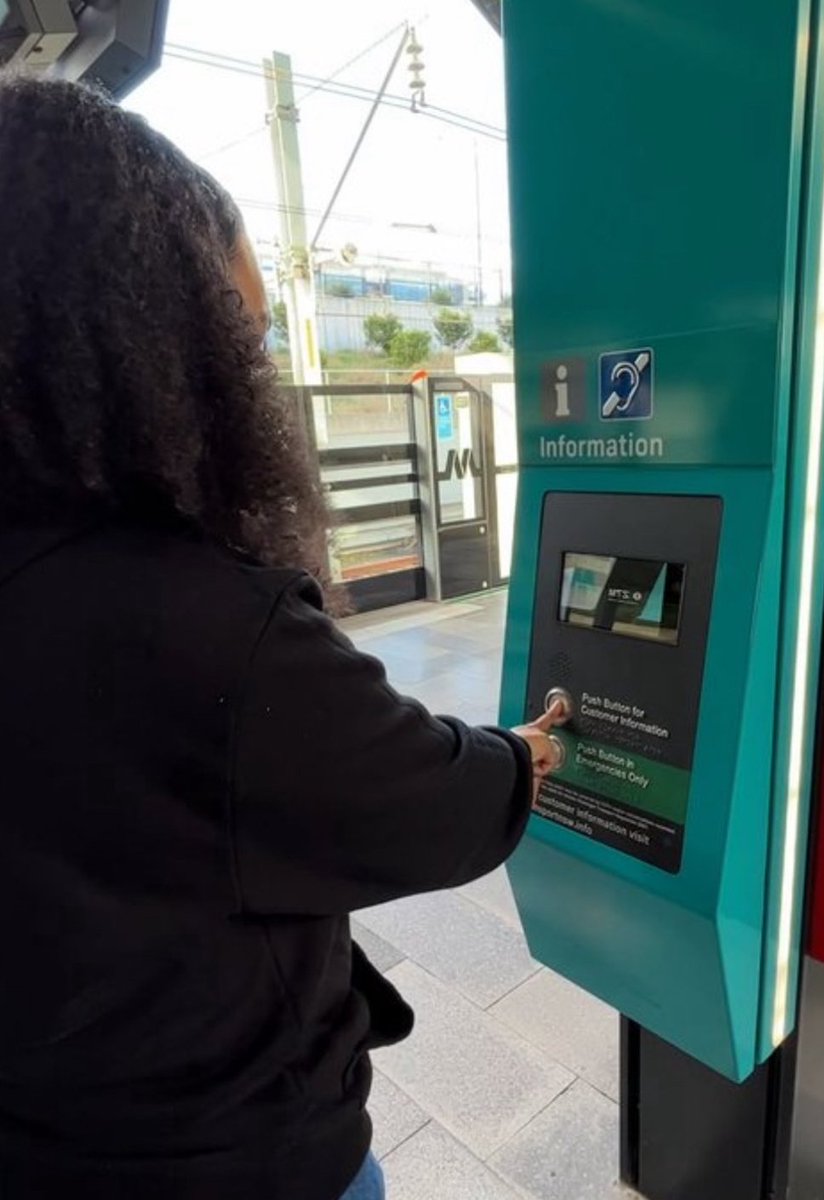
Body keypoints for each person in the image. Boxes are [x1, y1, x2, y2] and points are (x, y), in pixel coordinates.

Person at [0, 72, 562, 1199]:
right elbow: (423, 806)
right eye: (241, 343)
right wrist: (521, 753)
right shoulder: (192, 620)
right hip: (223, 1154)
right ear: (151, 349)